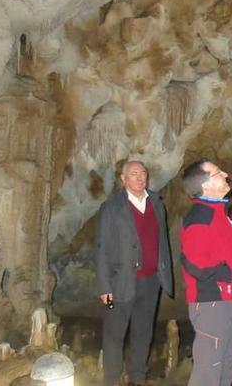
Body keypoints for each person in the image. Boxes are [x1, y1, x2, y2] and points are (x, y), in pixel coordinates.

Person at [95, 160, 174, 386]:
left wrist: (163, 274)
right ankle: (111, 380)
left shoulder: (157, 203)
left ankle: (138, 377)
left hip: (151, 281)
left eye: (143, 173)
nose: (140, 177)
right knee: (114, 335)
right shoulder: (112, 208)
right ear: (123, 179)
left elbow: (162, 242)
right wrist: (104, 287)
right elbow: (102, 248)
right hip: (121, 282)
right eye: (133, 174)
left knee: (143, 332)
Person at [179, 159, 232, 386]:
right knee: (208, 375)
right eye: (219, 173)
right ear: (206, 185)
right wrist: (228, 275)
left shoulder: (220, 215)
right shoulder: (201, 216)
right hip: (212, 303)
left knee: (224, 370)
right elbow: (193, 263)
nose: (226, 174)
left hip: (227, 302)